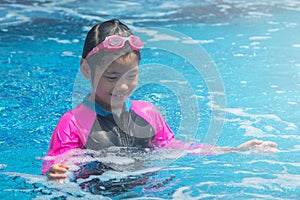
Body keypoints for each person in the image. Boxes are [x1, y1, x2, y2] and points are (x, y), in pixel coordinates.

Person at [43, 19, 277, 180]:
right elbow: (59, 162)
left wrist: (232, 150)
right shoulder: (73, 122)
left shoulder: (148, 113)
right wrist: (55, 173)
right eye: (112, 77)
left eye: (131, 76)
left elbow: (173, 148)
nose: (123, 86)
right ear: (86, 69)